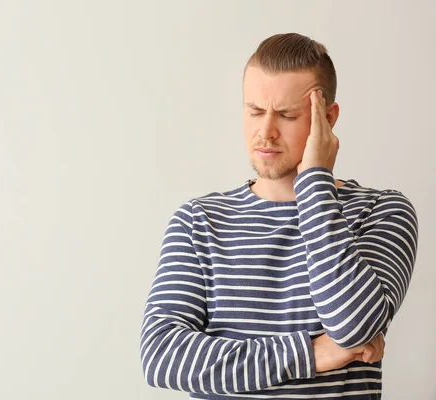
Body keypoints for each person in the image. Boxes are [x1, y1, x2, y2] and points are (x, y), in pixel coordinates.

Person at [139, 33, 419, 400]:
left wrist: (315, 183)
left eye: (287, 115)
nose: (265, 131)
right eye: (254, 111)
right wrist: (313, 354)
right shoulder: (199, 221)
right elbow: (162, 357)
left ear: (328, 119)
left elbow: (355, 327)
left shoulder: (380, 210)